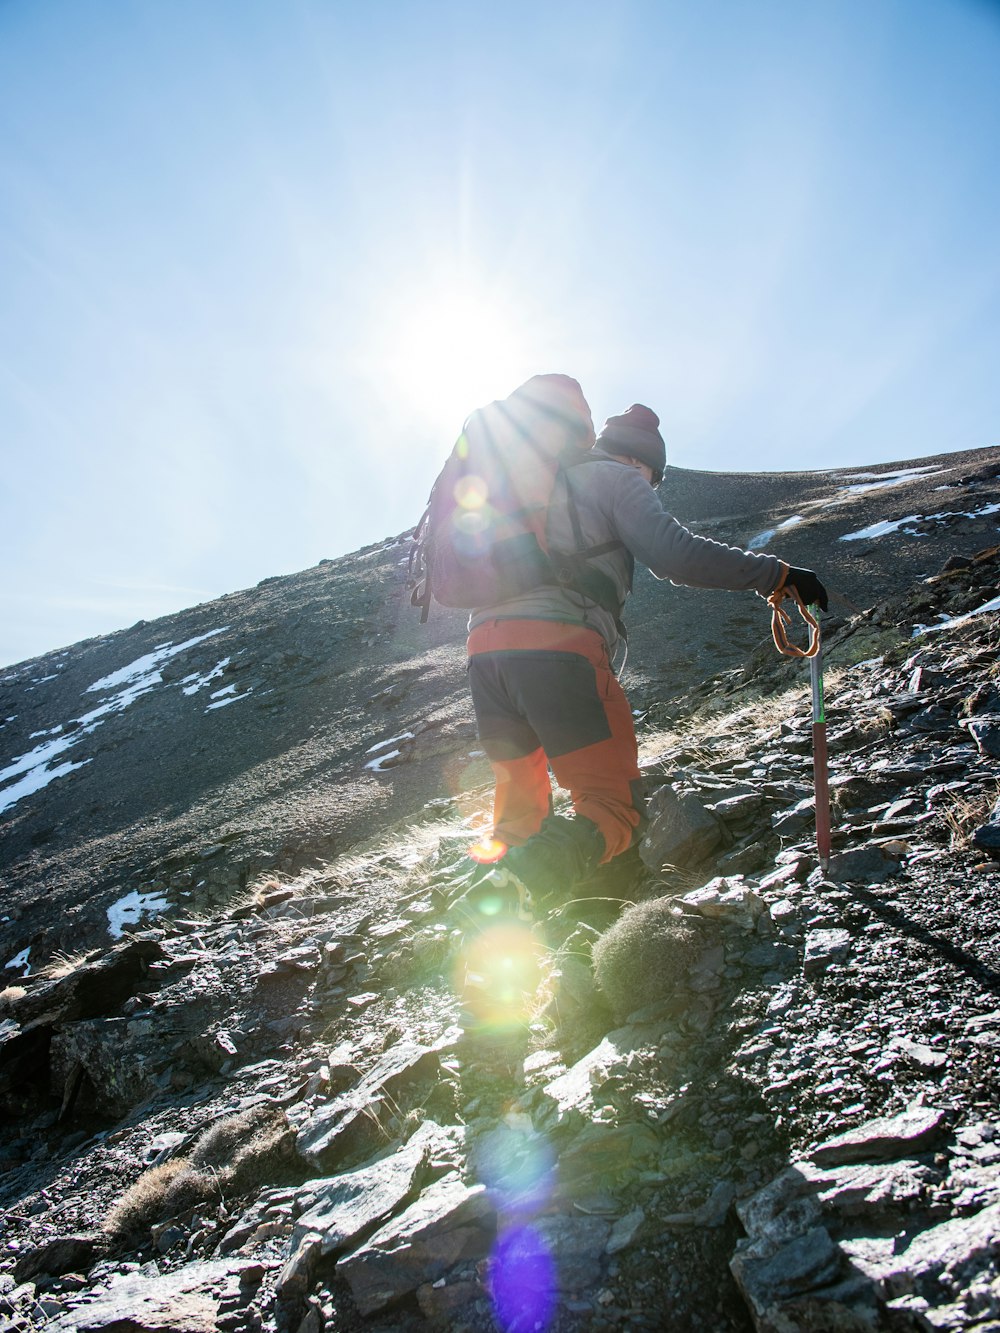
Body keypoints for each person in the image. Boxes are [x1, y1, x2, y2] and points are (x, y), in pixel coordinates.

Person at [456, 373, 827, 921]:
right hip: (558, 652)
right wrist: (776, 574)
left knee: (519, 813)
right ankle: (582, 926)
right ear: (643, 466)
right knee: (614, 808)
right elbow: (674, 554)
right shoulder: (615, 477)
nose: (650, 490)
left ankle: (490, 929)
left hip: (484, 654)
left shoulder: (531, 483)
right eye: (653, 480)